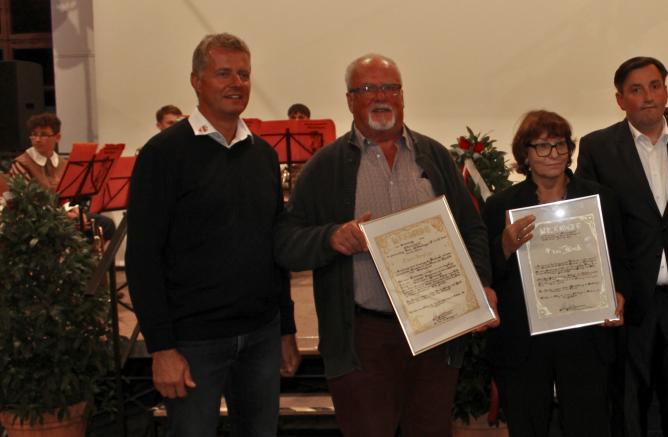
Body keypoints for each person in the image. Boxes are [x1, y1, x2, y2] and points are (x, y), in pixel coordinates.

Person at [273, 54, 497, 437]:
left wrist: (481, 286)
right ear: (349, 100)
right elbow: (285, 242)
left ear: (402, 95)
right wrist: (330, 238)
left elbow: (472, 230)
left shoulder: (434, 156)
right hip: (362, 336)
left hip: (436, 333)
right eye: (368, 88)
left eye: (390, 87)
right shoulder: (325, 167)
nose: (381, 96)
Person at [126, 33, 300, 436]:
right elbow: (144, 259)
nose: (235, 83)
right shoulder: (163, 154)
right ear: (196, 81)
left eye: (243, 73)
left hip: (260, 335)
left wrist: (286, 329)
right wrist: (162, 348)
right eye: (223, 73)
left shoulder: (264, 155)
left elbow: (273, 251)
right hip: (192, 344)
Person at [575, 56, 668, 437]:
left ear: (666, 92)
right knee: (629, 402)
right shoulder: (597, 147)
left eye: (655, 86)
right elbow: (591, 226)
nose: (648, 96)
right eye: (636, 89)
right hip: (629, 297)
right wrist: (605, 291)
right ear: (620, 99)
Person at [483, 110, 627, 436]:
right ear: (525, 155)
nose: (554, 154)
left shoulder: (599, 199)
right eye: (542, 146)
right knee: (528, 425)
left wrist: (619, 294)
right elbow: (485, 274)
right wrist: (503, 246)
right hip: (523, 343)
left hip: (585, 337)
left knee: (588, 425)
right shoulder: (500, 206)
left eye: (560, 145)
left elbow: (621, 260)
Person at [9, 112, 116, 241]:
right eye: (34, 134)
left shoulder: (63, 163)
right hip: (38, 219)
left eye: (43, 134)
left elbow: (70, 196)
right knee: (69, 230)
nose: (37, 139)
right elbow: (28, 203)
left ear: (57, 137)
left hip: (63, 214)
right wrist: (62, 215)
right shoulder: (21, 163)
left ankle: (95, 260)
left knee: (106, 225)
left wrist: (76, 212)